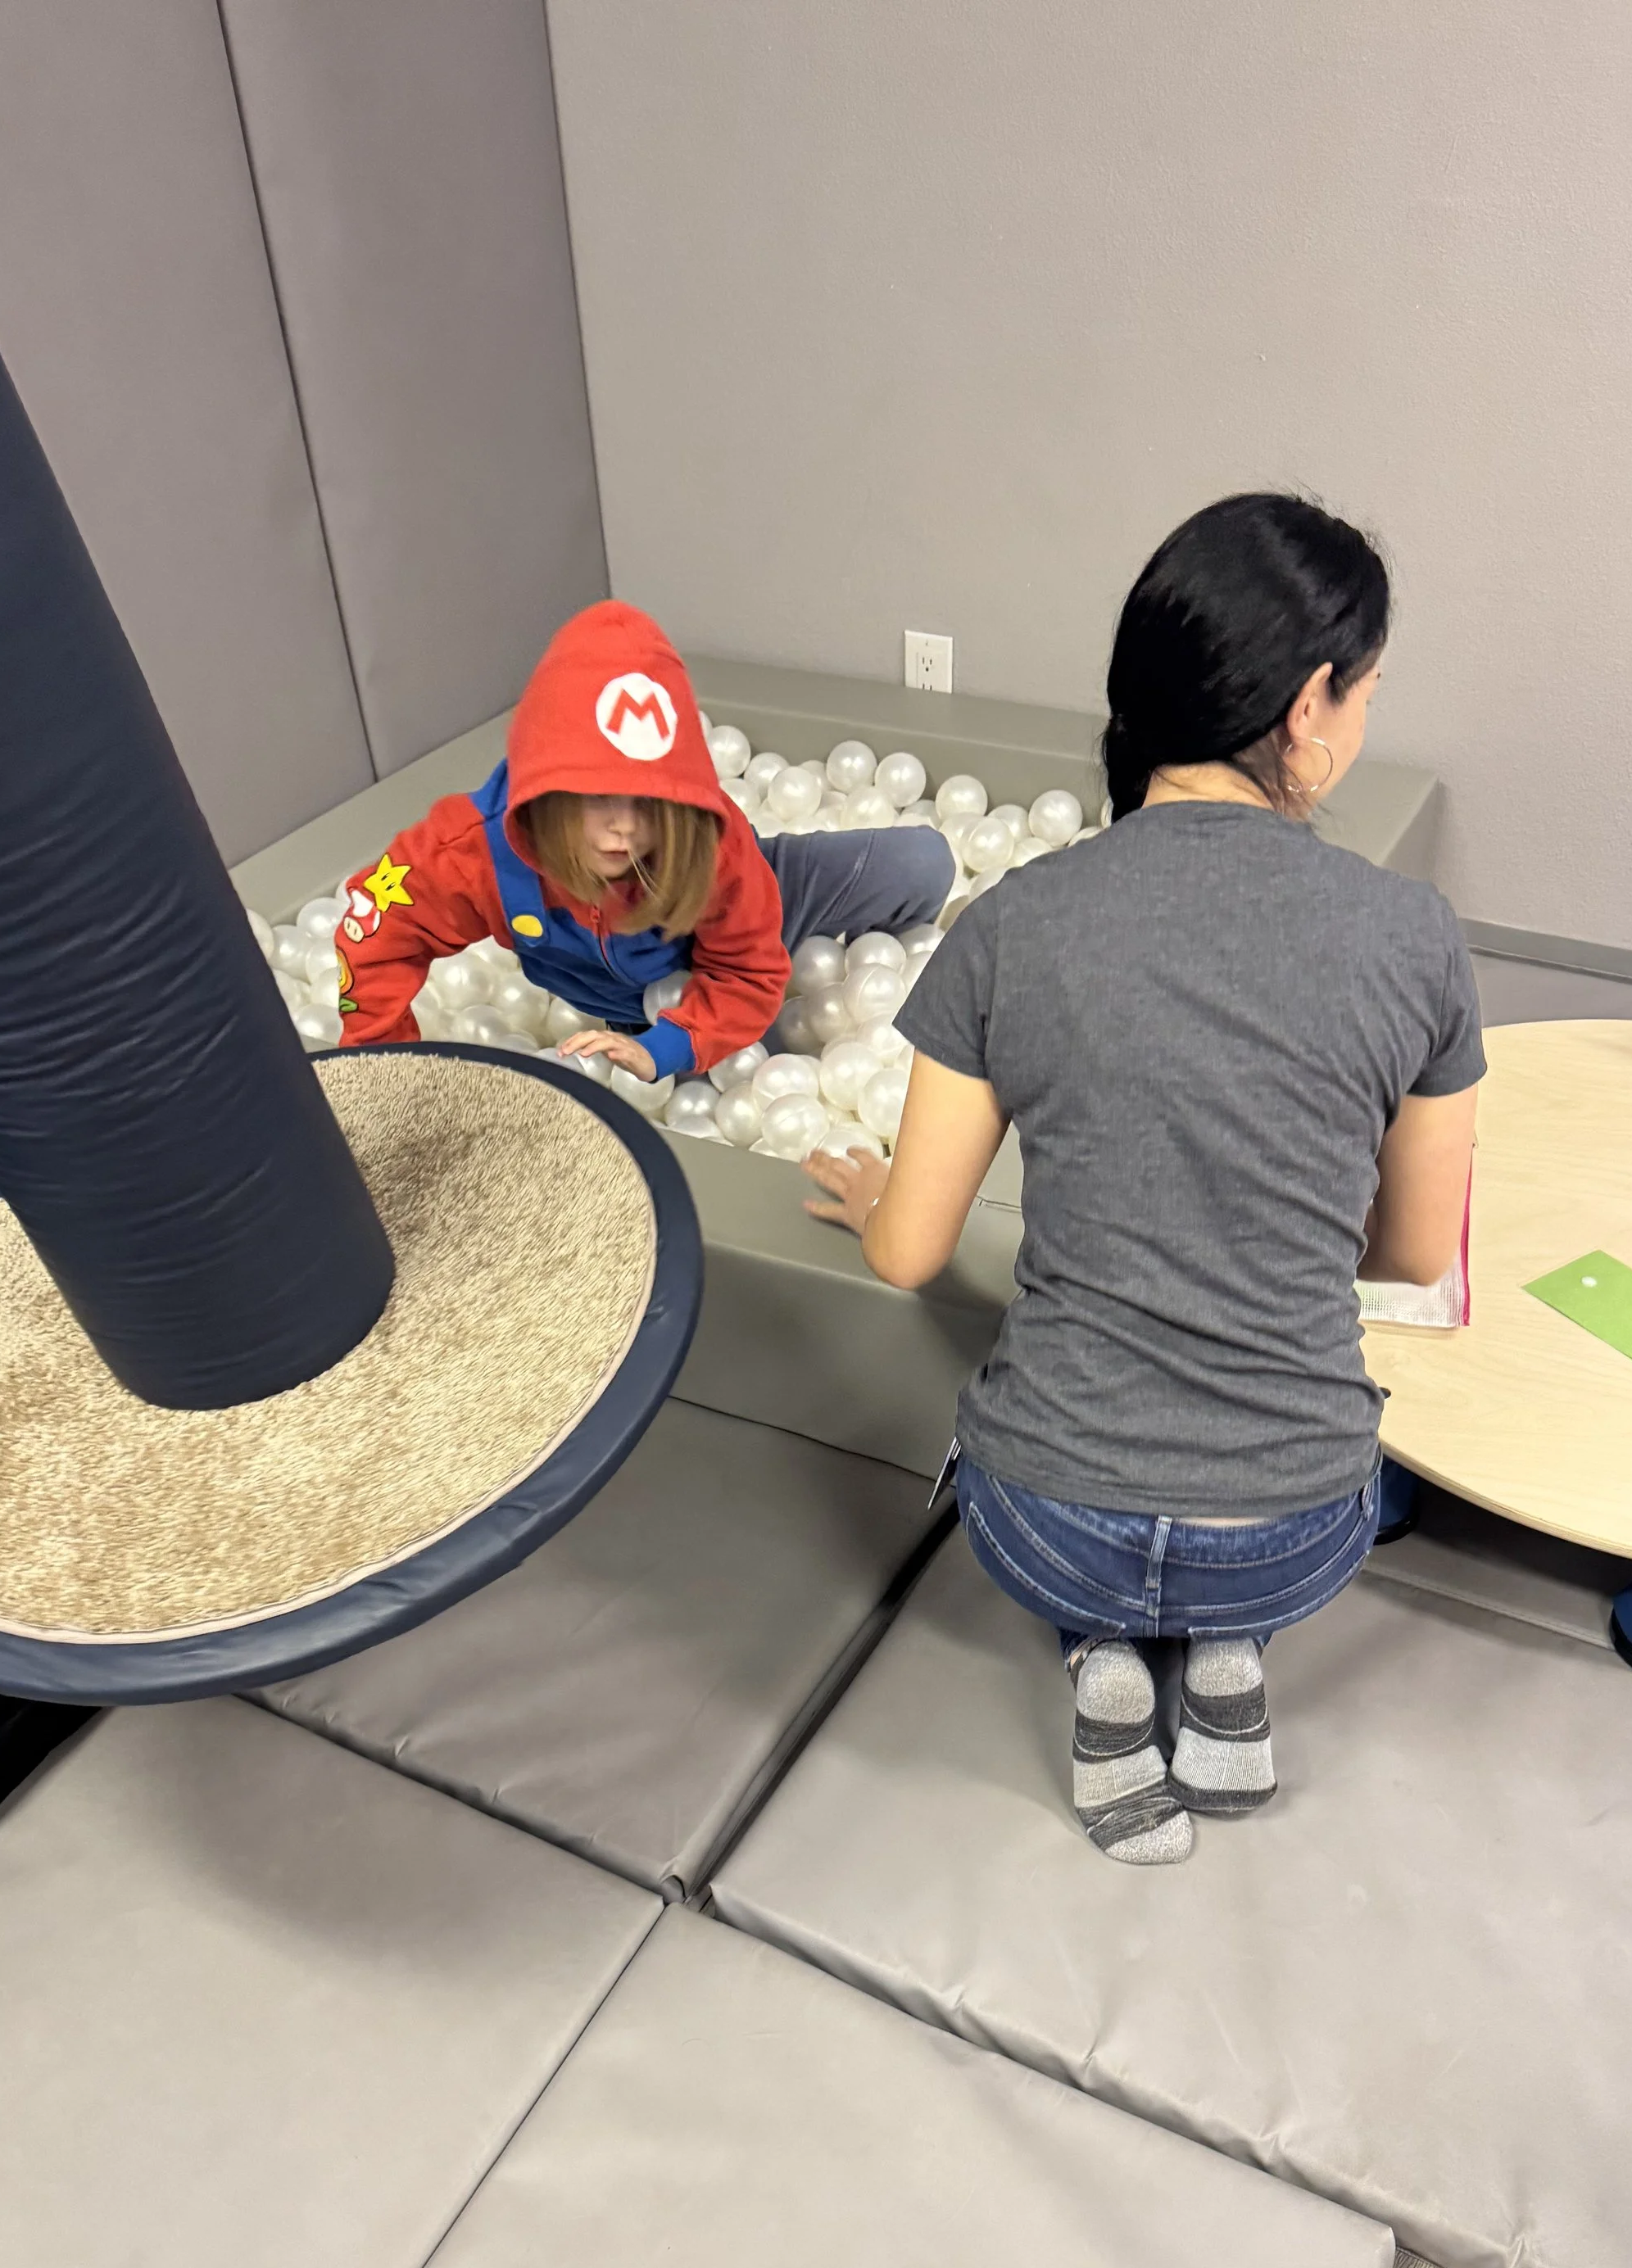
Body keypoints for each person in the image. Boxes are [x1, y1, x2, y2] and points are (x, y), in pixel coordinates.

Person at [804, 493, 1483, 1866]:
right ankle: (1226, 1646)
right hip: (1300, 1529)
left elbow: (909, 1255)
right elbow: (1415, 1249)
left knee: (1068, 1493)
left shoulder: (1015, 925)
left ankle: (1105, 1659)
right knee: (1242, 1515)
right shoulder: (1413, 936)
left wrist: (880, 1192)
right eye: (1365, 692)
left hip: (1051, 1526)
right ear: (1309, 706)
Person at [329, 600, 952, 1079]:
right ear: (549, 795)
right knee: (746, 1081)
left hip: (752, 906)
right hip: (645, 1003)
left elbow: (749, 972)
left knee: (925, 862)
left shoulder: (712, 846)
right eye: (597, 799)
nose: (624, 827)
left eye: (649, 803)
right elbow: (374, 930)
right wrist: (385, 1065)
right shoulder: (474, 852)